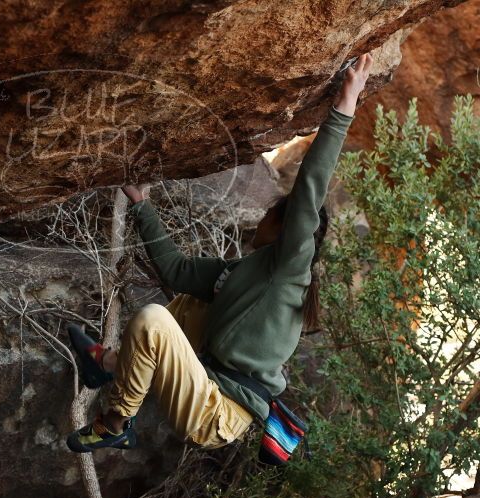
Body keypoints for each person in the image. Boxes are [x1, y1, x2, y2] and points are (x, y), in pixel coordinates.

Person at [66, 53, 374, 453]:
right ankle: (106, 365)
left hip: (218, 412)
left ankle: (114, 423)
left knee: (153, 319)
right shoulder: (245, 271)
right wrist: (140, 204)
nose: (258, 222)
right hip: (206, 381)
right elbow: (176, 269)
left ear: (283, 229)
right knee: (190, 304)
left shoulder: (289, 270)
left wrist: (344, 105)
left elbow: (309, 190)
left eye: (268, 216)